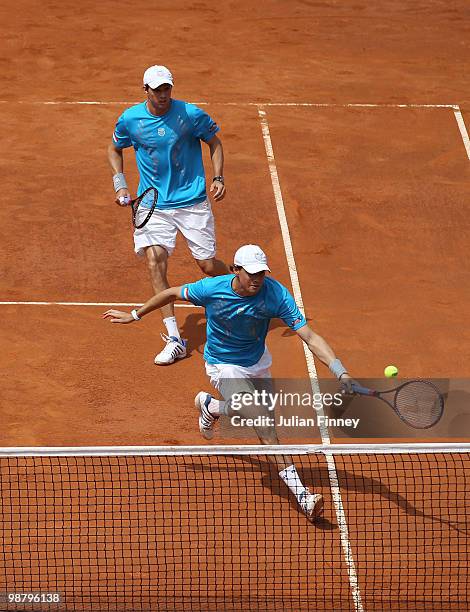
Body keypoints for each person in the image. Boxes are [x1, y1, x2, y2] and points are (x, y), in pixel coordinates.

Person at [103, 245, 358, 521]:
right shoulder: (212, 288)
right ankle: (304, 497)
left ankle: (212, 407)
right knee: (263, 424)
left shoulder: (275, 295)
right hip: (222, 364)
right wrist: (135, 314)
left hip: (257, 363)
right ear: (236, 270)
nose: (257, 279)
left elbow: (309, 336)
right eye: (251, 274)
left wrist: (340, 371)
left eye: (261, 273)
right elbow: (171, 292)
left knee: (262, 421)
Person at [107, 64, 229, 366]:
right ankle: (175, 337)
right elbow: (114, 149)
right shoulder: (131, 120)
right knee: (154, 260)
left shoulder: (190, 115)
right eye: (157, 89)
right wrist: (120, 185)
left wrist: (219, 177)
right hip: (155, 206)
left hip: (192, 201)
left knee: (206, 265)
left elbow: (214, 142)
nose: (163, 95)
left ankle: (246, 292)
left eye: (167, 89)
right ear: (145, 90)